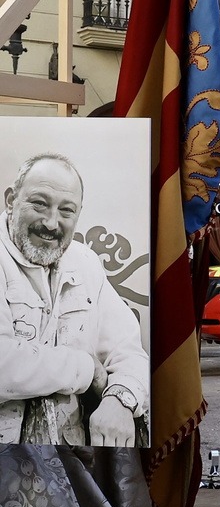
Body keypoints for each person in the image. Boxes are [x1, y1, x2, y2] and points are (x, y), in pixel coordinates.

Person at [0, 152, 149, 447]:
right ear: (11, 200)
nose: (51, 222)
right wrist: (86, 368)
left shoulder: (85, 262)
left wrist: (120, 399)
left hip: (70, 462)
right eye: (39, 204)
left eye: (66, 210)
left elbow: (129, 351)